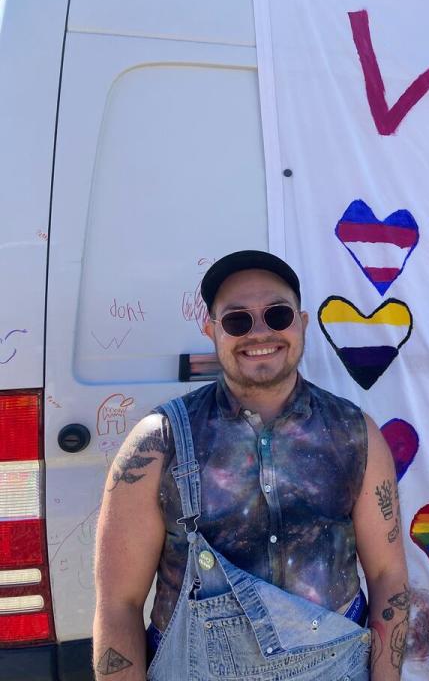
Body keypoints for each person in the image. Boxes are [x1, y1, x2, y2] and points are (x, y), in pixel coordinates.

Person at [93, 250, 409, 681]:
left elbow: (388, 575)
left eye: (276, 315)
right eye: (237, 320)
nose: (259, 332)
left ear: (301, 323)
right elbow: (118, 604)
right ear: (211, 331)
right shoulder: (157, 442)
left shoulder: (356, 433)